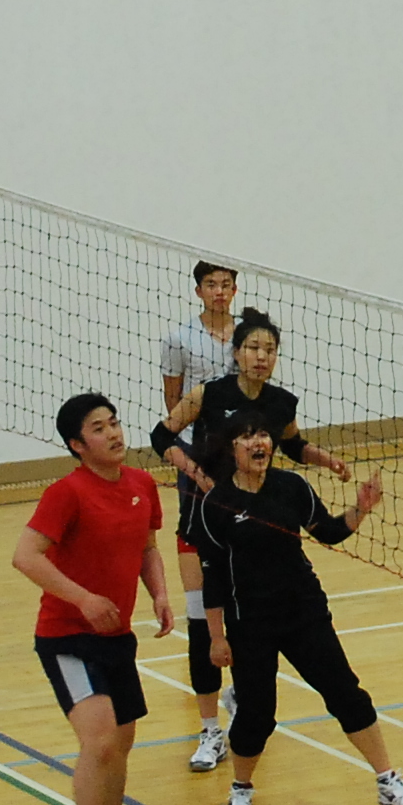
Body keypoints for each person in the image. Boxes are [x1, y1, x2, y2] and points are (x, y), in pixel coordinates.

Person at [195, 413, 403, 805]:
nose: (258, 442)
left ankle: (387, 779)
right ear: (232, 449)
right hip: (250, 623)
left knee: (346, 694)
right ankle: (241, 787)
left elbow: (328, 532)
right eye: (248, 436)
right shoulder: (216, 505)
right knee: (257, 714)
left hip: (304, 612)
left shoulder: (292, 487)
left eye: (263, 433)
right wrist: (217, 637)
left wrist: (361, 508)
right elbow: (212, 578)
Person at [160, 311, 353, 775]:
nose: (261, 357)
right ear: (236, 353)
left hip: (256, 523)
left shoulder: (281, 402)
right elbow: (161, 435)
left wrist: (325, 460)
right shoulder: (208, 394)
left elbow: (293, 446)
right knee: (202, 622)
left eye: (269, 350)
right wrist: (196, 474)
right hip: (205, 518)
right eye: (252, 348)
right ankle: (209, 729)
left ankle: (242, 698)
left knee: (253, 624)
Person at [12, 393, 182, 805]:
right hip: (68, 636)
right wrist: (83, 599)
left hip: (116, 635)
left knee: (121, 742)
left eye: (114, 423)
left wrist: (159, 594)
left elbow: (147, 548)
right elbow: (25, 556)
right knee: (101, 741)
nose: (113, 434)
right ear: (77, 445)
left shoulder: (141, 485)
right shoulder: (66, 493)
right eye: (98, 428)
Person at [158, 261, 243, 750]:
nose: (219, 291)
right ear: (198, 291)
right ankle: (209, 726)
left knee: (245, 591)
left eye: (226, 284)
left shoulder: (248, 337)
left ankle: (242, 695)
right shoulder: (179, 338)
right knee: (199, 593)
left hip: (241, 463)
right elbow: (173, 410)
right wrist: (191, 461)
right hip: (197, 462)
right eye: (211, 284)